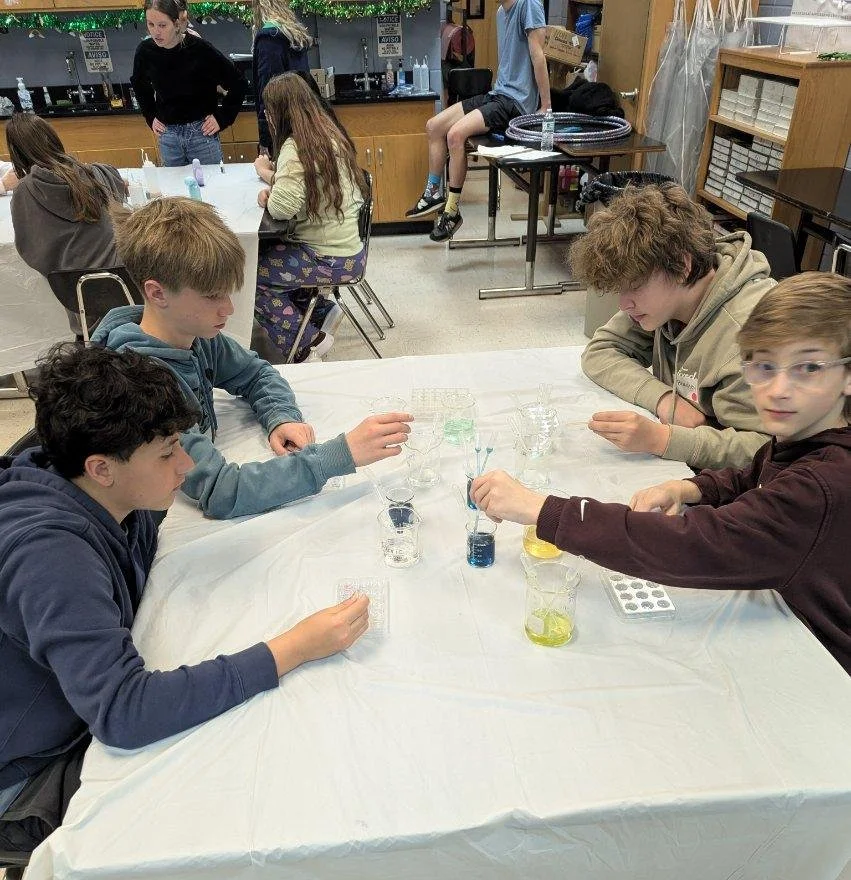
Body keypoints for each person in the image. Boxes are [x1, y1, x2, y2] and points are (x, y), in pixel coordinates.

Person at [0, 343, 371, 853]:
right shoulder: (52, 556)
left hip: (74, 692)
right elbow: (125, 712)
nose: (184, 466)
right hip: (27, 765)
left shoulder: (107, 489)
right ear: (101, 467)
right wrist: (293, 649)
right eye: (168, 450)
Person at [472, 273, 851, 675]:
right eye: (763, 366)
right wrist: (690, 487)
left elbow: (692, 546)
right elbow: (754, 477)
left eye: (808, 367)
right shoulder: (807, 435)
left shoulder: (823, 487)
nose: (778, 389)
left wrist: (541, 509)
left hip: (820, 661)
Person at [92, 196, 410, 519]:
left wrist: (280, 416)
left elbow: (256, 373)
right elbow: (222, 491)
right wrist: (341, 454)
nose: (229, 309)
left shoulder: (191, 335)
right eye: (212, 296)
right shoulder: (142, 387)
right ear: (157, 293)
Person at [569, 182, 775, 470]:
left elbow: (770, 450)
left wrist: (663, 440)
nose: (623, 304)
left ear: (681, 266)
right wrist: (664, 399)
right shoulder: (667, 302)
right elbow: (601, 351)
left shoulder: (749, 335)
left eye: (635, 287)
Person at [406, 0, 550, 242]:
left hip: (515, 103)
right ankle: (433, 193)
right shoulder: (501, 13)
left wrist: (545, 106)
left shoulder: (529, 4)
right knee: (434, 126)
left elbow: (538, 56)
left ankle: (451, 212)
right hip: (498, 94)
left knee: (455, 135)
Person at [252, 72, 368, 361]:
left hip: (328, 258)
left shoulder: (295, 147)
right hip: (349, 250)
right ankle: (322, 311)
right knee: (273, 256)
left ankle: (307, 342)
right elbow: (299, 186)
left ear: (277, 113)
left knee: (251, 276)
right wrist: (273, 180)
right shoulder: (327, 134)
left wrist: (268, 192)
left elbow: (281, 208)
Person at [6, 113, 127, 335]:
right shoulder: (99, 173)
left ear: (16, 152)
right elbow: (121, 200)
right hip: (129, 289)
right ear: (54, 138)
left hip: (79, 300)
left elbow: (31, 252)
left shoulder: (26, 192)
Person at [131, 0, 246, 167]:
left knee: (210, 186)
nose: (156, 32)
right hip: (168, 134)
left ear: (176, 24)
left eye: (162, 25)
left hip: (201, 133)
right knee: (175, 190)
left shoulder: (200, 49)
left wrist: (222, 118)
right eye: (151, 24)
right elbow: (140, 86)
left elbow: (238, 83)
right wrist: (150, 116)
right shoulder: (145, 51)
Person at [251, 0, 313, 153]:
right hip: (304, 121)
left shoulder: (269, 39)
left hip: (282, 126)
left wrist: (265, 140)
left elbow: (268, 92)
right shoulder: (293, 35)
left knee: (281, 174)